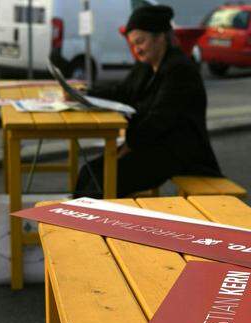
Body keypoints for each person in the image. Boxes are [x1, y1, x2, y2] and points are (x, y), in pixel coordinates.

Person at [74, 5, 222, 199]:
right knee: (89, 171)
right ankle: (77, 227)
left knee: (101, 181)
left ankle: (92, 228)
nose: (137, 50)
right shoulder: (146, 66)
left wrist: (127, 146)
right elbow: (122, 92)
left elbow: (159, 120)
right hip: (151, 146)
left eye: (140, 42)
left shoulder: (180, 70)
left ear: (160, 37)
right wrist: (84, 94)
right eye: (133, 44)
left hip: (178, 154)